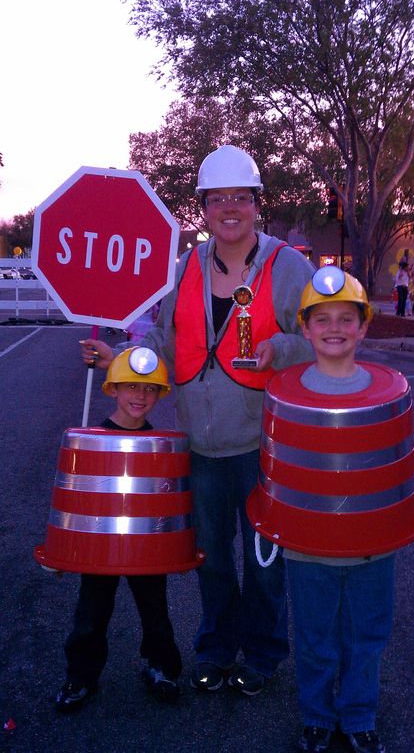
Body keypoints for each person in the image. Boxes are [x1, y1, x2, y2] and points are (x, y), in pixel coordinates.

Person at [80, 145, 315, 697]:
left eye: (240, 197)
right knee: (209, 561)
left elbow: (323, 340)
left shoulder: (288, 266)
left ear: (257, 205)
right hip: (200, 447)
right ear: (203, 208)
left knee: (263, 562)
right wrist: (116, 356)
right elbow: (162, 341)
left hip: (265, 446)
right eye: (217, 199)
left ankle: (259, 655)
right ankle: (215, 649)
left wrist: (278, 349)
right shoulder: (186, 267)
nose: (229, 207)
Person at [288, 267, 395, 753]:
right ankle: (315, 715)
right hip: (307, 550)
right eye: (322, 318)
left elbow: (397, 470)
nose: (334, 328)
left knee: (367, 636)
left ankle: (358, 716)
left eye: (346, 318)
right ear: (305, 328)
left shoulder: (389, 391)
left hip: (374, 548)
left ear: (363, 326)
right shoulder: (285, 393)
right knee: (314, 638)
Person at [56, 347, 182, 713]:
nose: (140, 396)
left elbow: (166, 499)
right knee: (92, 611)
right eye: (130, 386)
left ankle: (162, 667)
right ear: (112, 389)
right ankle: (81, 676)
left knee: (155, 608)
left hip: (146, 544)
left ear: (159, 394)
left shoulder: (160, 444)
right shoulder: (93, 438)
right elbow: (75, 496)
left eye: (149, 389)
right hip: (101, 543)